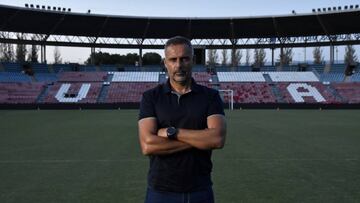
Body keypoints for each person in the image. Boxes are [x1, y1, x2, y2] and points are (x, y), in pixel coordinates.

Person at [138, 36, 226, 203]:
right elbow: (148, 145)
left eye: (184, 59)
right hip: (160, 191)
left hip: (200, 190)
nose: (178, 65)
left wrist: (173, 132)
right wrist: (200, 139)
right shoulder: (151, 97)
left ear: (192, 60)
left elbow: (217, 139)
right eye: (173, 60)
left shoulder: (210, 96)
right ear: (165, 62)